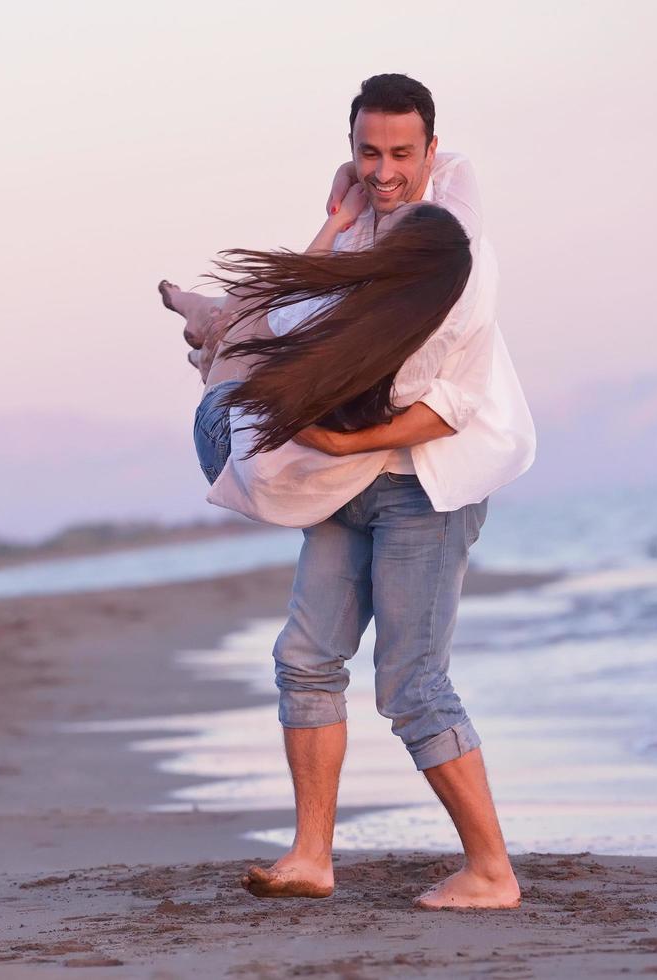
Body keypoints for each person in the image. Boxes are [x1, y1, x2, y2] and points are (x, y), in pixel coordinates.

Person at [159, 74, 535, 911]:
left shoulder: (457, 262)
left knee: (411, 682)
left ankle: (489, 871)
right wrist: (333, 219)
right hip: (346, 487)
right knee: (304, 659)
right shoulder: (362, 223)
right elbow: (293, 315)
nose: (383, 168)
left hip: (420, 489)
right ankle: (310, 856)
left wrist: (342, 439)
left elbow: (447, 411)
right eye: (369, 151)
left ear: (430, 153)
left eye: (401, 153)